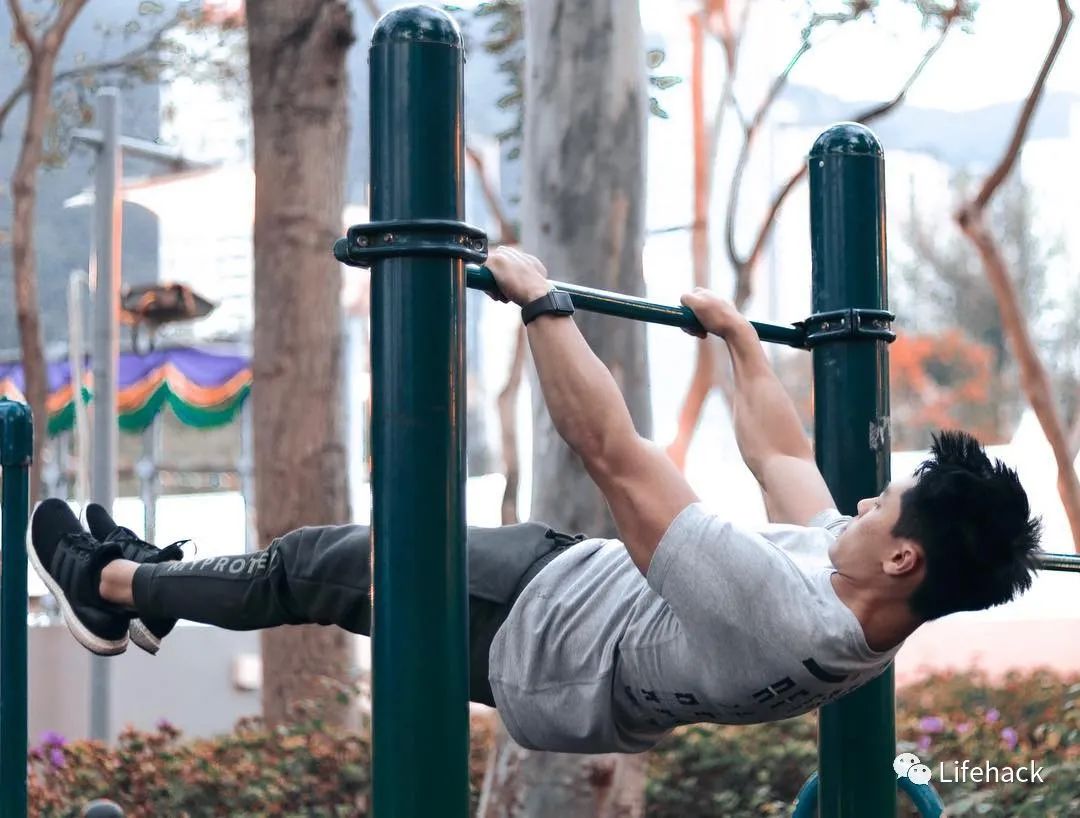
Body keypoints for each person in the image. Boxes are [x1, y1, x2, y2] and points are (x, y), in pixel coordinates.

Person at [29, 247, 1043, 755]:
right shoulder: (873, 606)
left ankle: (111, 588)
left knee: (317, 566)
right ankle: (154, 583)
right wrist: (740, 343)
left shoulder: (783, 614)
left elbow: (614, 454)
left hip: (536, 637)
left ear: (903, 556)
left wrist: (540, 302)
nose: (861, 501)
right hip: (569, 593)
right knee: (323, 561)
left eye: (882, 505)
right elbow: (784, 457)